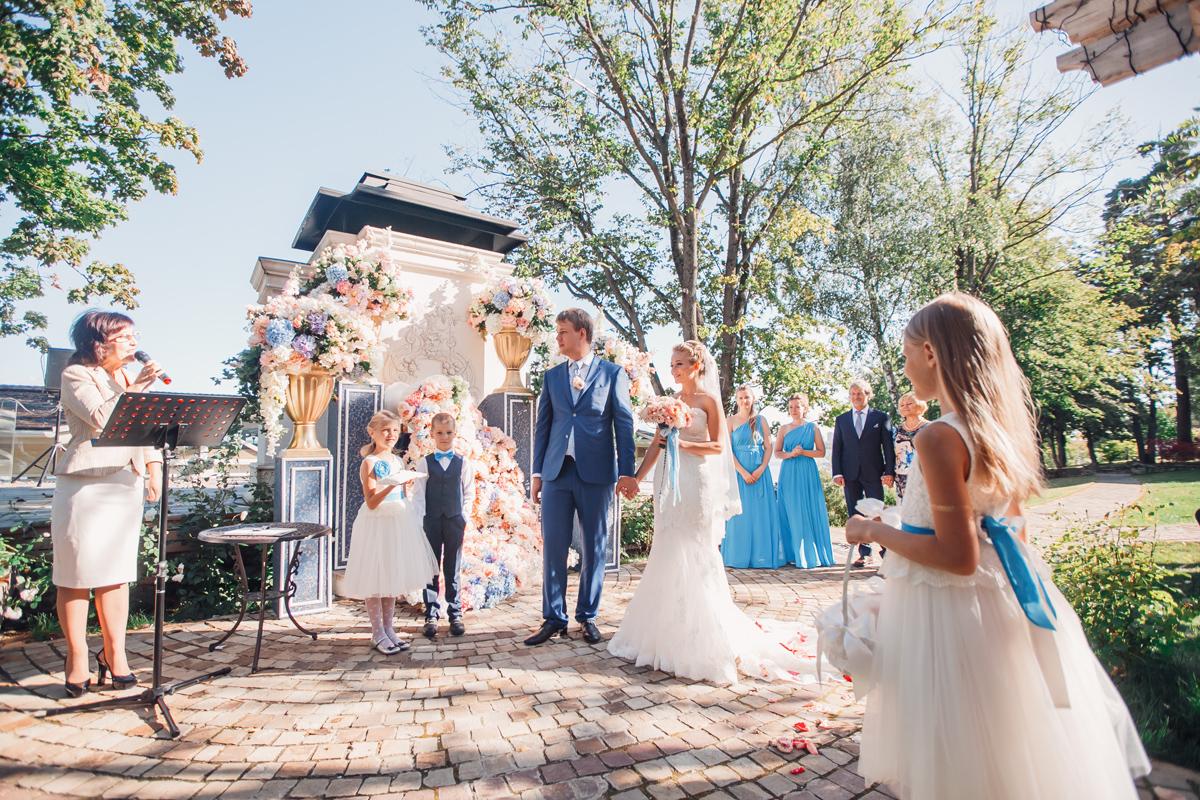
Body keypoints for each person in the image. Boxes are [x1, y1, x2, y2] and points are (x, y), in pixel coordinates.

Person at [845, 292, 1149, 799]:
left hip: (949, 613)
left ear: (932, 355)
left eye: (906, 354)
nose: (904, 366)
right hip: (1000, 607)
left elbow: (956, 557)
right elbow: (1015, 531)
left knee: (955, 751)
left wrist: (870, 531)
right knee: (1006, 747)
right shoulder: (993, 429)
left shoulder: (938, 437)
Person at [607, 342, 819, 685]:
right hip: (668, 481)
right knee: (667, 548)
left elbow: (719, 445)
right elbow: (658, 447)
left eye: (679, 363)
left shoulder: (708, 401)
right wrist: (635, 478)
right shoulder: (669, 404)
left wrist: (682, 443)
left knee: (696, 551)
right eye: (672, 363)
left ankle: (700, 638)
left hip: (697, 483)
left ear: (696, 365)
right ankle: (664, 633)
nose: (673, 369)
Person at [51, 311, 164, 697]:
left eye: (135, 335)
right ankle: (77, 655)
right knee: (76, 572)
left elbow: (146, 428)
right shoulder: (77, 375)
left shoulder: (128, 378)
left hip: (123, 483)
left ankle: (115, 654)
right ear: (99, 342)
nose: (133, 342)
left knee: (116, 572)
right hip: (84, 484)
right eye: (125, 336)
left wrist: (153, 467)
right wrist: (135, 389)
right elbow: (102, 419)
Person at [526, 309, 637, 646]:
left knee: (594, 548)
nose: (557, 338)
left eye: (562, 332)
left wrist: (627, 472)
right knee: (554, 548)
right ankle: (553, 617)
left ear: (582, 334)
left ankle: (587, 616)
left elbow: (624, 425)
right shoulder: (552, 376)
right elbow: (543, 426)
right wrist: (536, 473)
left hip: (596, 474)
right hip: (557, 473)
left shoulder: (612, 374)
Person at [341, 410, 438, 655]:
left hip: (397, 521)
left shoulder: (397, 461)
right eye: (385, 430)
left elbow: (403, 496)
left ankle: (389, 629)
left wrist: (405, 487)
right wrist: (392, 484)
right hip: (377, 523)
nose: (391, 435)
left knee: (392, 577)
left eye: (395, 430)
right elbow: (372, 501)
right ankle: (377, 633)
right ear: (372, 433)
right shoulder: (370, 463)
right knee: (376, 577)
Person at [415, 412, 474, 639]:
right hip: (431, 521)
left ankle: (455, 613)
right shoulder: (425, 462)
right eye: (439, 433)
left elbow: (469, 491)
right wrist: (420, 519)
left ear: (455, 433)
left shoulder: (463, 462)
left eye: (448, 432)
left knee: (452, 567)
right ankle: (431, 614)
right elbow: (418, 494)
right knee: (431, 568)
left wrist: (464, 515)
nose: (444, 437)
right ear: (432, 434)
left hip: (454, 521)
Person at [830, 379, 895, 568]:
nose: (856, 397)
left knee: (877, 513)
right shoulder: (841, 419)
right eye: (853, 394)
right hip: (849, 474)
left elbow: (888, 447)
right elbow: (837, 448)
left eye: (859, 393)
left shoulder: (881, 417)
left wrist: (889, 471)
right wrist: (837, 473)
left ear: (868, 395)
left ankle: (886, 552)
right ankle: (864, 553)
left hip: (874, 472)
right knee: (855, 513)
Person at [721, 384, 786, 568]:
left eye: (747, 397)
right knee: (739, 515)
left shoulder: (760, 420)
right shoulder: (730, 421)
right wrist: (742, 472)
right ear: (736, 400)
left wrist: (761, 469)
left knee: (759, 516)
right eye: (741, 397)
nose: (744, 401)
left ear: (753, 399)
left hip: (760, 474)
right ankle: (737, 556)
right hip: (739, 474)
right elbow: (727, 450)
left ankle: (761, 557)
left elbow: (768, 447)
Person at [775, 393, 835, 568]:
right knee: (791, 511)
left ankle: (810, 554)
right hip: (788, 472)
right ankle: (793, 553)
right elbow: (777, 452)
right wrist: (790, 454)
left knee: (808, 510)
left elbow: (821, 452)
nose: (794, 410)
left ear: (805, 408)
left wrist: (803, 452)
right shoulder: (783, 429)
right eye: (791, 407)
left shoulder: (813, 428)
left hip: (807, 472)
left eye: (798, 406)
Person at [892, 391, 929, 501]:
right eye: (902, 405)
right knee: (905, 513)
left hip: (924, 477)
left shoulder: (931, 428)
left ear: (920, 404)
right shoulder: (896, 430)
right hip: (901, 478)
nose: (905, 407)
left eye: (909, 404)